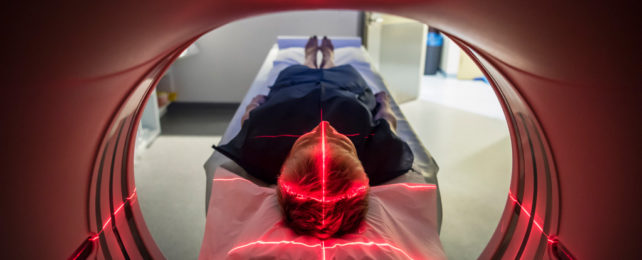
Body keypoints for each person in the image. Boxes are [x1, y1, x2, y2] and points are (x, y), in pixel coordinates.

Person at [214, 36, 413, 239]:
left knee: (295, 73)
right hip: (345, 91)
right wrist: (385, 104)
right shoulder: (380, 158)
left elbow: (248, 121)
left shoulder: (260, 151)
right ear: (362, 170)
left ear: (284, 167)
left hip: (291, 92)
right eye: (342, 144)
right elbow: (387, 122)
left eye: (307, 141)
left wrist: (253, 105)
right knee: (343, 73)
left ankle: (309, 59)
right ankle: (329, 60)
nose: (324, 127)